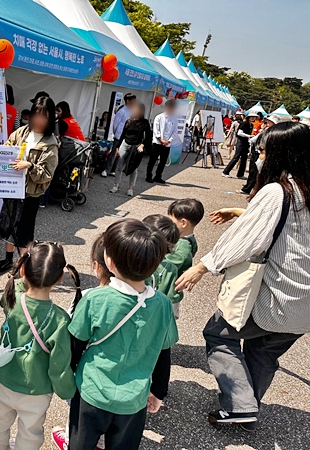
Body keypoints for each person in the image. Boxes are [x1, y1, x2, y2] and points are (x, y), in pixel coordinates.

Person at [175, 122, 310, 429]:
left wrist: (202, 266)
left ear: (280, 154)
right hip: (303, 307)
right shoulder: (304, 189)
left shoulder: (278, 191)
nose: (259, 156)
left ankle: (240, 405)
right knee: (265, 352)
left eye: (263, 150)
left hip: (277, 298)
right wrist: (241, 212)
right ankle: (248, 406)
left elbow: (246, 240)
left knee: (218, 334)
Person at [68, 219, 178, 450]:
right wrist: (158, 391)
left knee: (81, 444)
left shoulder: (95, 299)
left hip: (92, 391)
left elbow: (75, 345)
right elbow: (163, 352)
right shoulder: (163, 305)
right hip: (133, 399)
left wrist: (68, 377)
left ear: (109, 261)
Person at [0, 242, 80, 450]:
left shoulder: (10, 297)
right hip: (36, 390)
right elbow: (59, 365)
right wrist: (68, 391)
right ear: (59, 278)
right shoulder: (60, 320)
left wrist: (24, 272)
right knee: (30, 432)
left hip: (2, 379)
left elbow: (19, 284)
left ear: (22, 269)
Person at [51, 234, 112, 450]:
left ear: (97, 266)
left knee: (79, 418)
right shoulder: (148, 300)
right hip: (123, 384)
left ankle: (70, 440)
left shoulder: (87, 296)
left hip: (88, 378)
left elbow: (73, 335)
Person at [0, 97, 59, 273]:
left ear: (50, 119)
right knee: (9, 226)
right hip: (13, 188)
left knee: (24, 232)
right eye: (36, 115)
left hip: (30, 195)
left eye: (44, 117)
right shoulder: (21, 132)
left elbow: (47, 175)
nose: (39, 120)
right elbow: (9, 148)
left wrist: (29, 166)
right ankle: (8, 259)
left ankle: (23, 265)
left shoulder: (51, 144)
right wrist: (5, 149)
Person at [143, 215, 181, 413]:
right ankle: (156, 391)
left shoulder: (140, 266)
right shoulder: (170, 268)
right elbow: (173, 295)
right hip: (162, 318)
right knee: (160, 355)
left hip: (142, 318)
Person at [110, 102, 152, 197]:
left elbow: (149, 136)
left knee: (133, 168)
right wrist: (117, 147)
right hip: (125, 144)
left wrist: (143, 145)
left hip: (136, 146)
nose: (135, 111)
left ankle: (130, 188)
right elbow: (122, 134)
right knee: (119, 166)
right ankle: (116, 185)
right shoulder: (129, 121)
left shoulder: (144, 122)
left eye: (137, 109)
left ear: (141, 111)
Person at [237, 114, 280, 195]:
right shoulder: (269, 130)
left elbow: (254, 139)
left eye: (269, 121)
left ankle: (248, 188)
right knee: (256, 172)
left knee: (254, 172)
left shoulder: (269, 131)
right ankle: (252, 187)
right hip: (260, 152)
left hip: (261, 153)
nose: (267, 122)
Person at [102, 93, 137, 178]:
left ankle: (114, 169)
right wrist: (117, 133)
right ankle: (106, 170)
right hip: (119, 135)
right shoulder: (121, 111)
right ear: (128, 101)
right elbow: (115, 124)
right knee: (114, 153)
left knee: (121, 153)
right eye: (132, 101)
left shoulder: (132, 111)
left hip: (127, 136)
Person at [147, 99, 178, 184]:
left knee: (163, 161)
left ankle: (158, 176)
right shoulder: (159, 117)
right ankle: (148, 175)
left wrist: (169, 141)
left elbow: (175, 131)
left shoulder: (174, 119)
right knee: (152, 160)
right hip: (157, 143)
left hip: (167, 144)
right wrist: (161, 140)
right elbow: (156, 130)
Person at [223, 111, 255, 179]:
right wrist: (249, 136)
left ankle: (240, 174)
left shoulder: (251, 125)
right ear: (248, 117)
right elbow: (239, 133)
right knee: (236, 157)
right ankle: (225, 172)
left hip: (246, 142)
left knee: (244, 159)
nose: (253, 118)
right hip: (240, 142)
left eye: (254, 117)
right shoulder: (244, 124)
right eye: (252, 117)